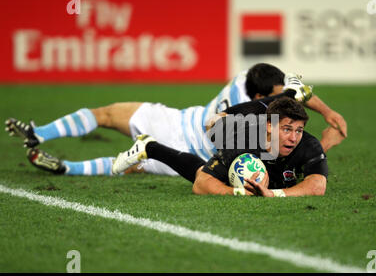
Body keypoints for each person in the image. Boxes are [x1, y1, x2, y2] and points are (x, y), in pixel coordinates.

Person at [5, 63, 346, 176]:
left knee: (105, 115)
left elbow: (295, 88)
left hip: (178, 120)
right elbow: (296, 99)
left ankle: (40, 134)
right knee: (131, 165)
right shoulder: (258, 113)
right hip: (198, 153)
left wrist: (328, 111)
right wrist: (328, 117)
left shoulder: (247, 75)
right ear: (262, 98)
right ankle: (68, 168)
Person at [111, 97, 328, 197]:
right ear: (270, 126)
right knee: (203, 170)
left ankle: (149, 146)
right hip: (223, 128)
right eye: (287, 129)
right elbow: (201, 184)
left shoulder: (307, 144)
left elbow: (317, 186)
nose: (293, 138)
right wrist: (237, 192)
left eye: (298, 130)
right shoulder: (240, 143)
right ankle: (150, 148)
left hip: (254, 124)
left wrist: (275, 195)